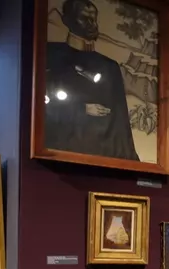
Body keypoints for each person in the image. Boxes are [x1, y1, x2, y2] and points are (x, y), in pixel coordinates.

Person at [44, 0, 140, 161]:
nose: (91, 24)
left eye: (93, 19)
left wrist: (131, 161)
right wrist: (82, 109)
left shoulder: (109, 67)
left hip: (102, 153)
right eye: (84, 18)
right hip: (63, 149)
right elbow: (43, 104)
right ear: (67, 20)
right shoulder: (50, 55)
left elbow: (120, 118)